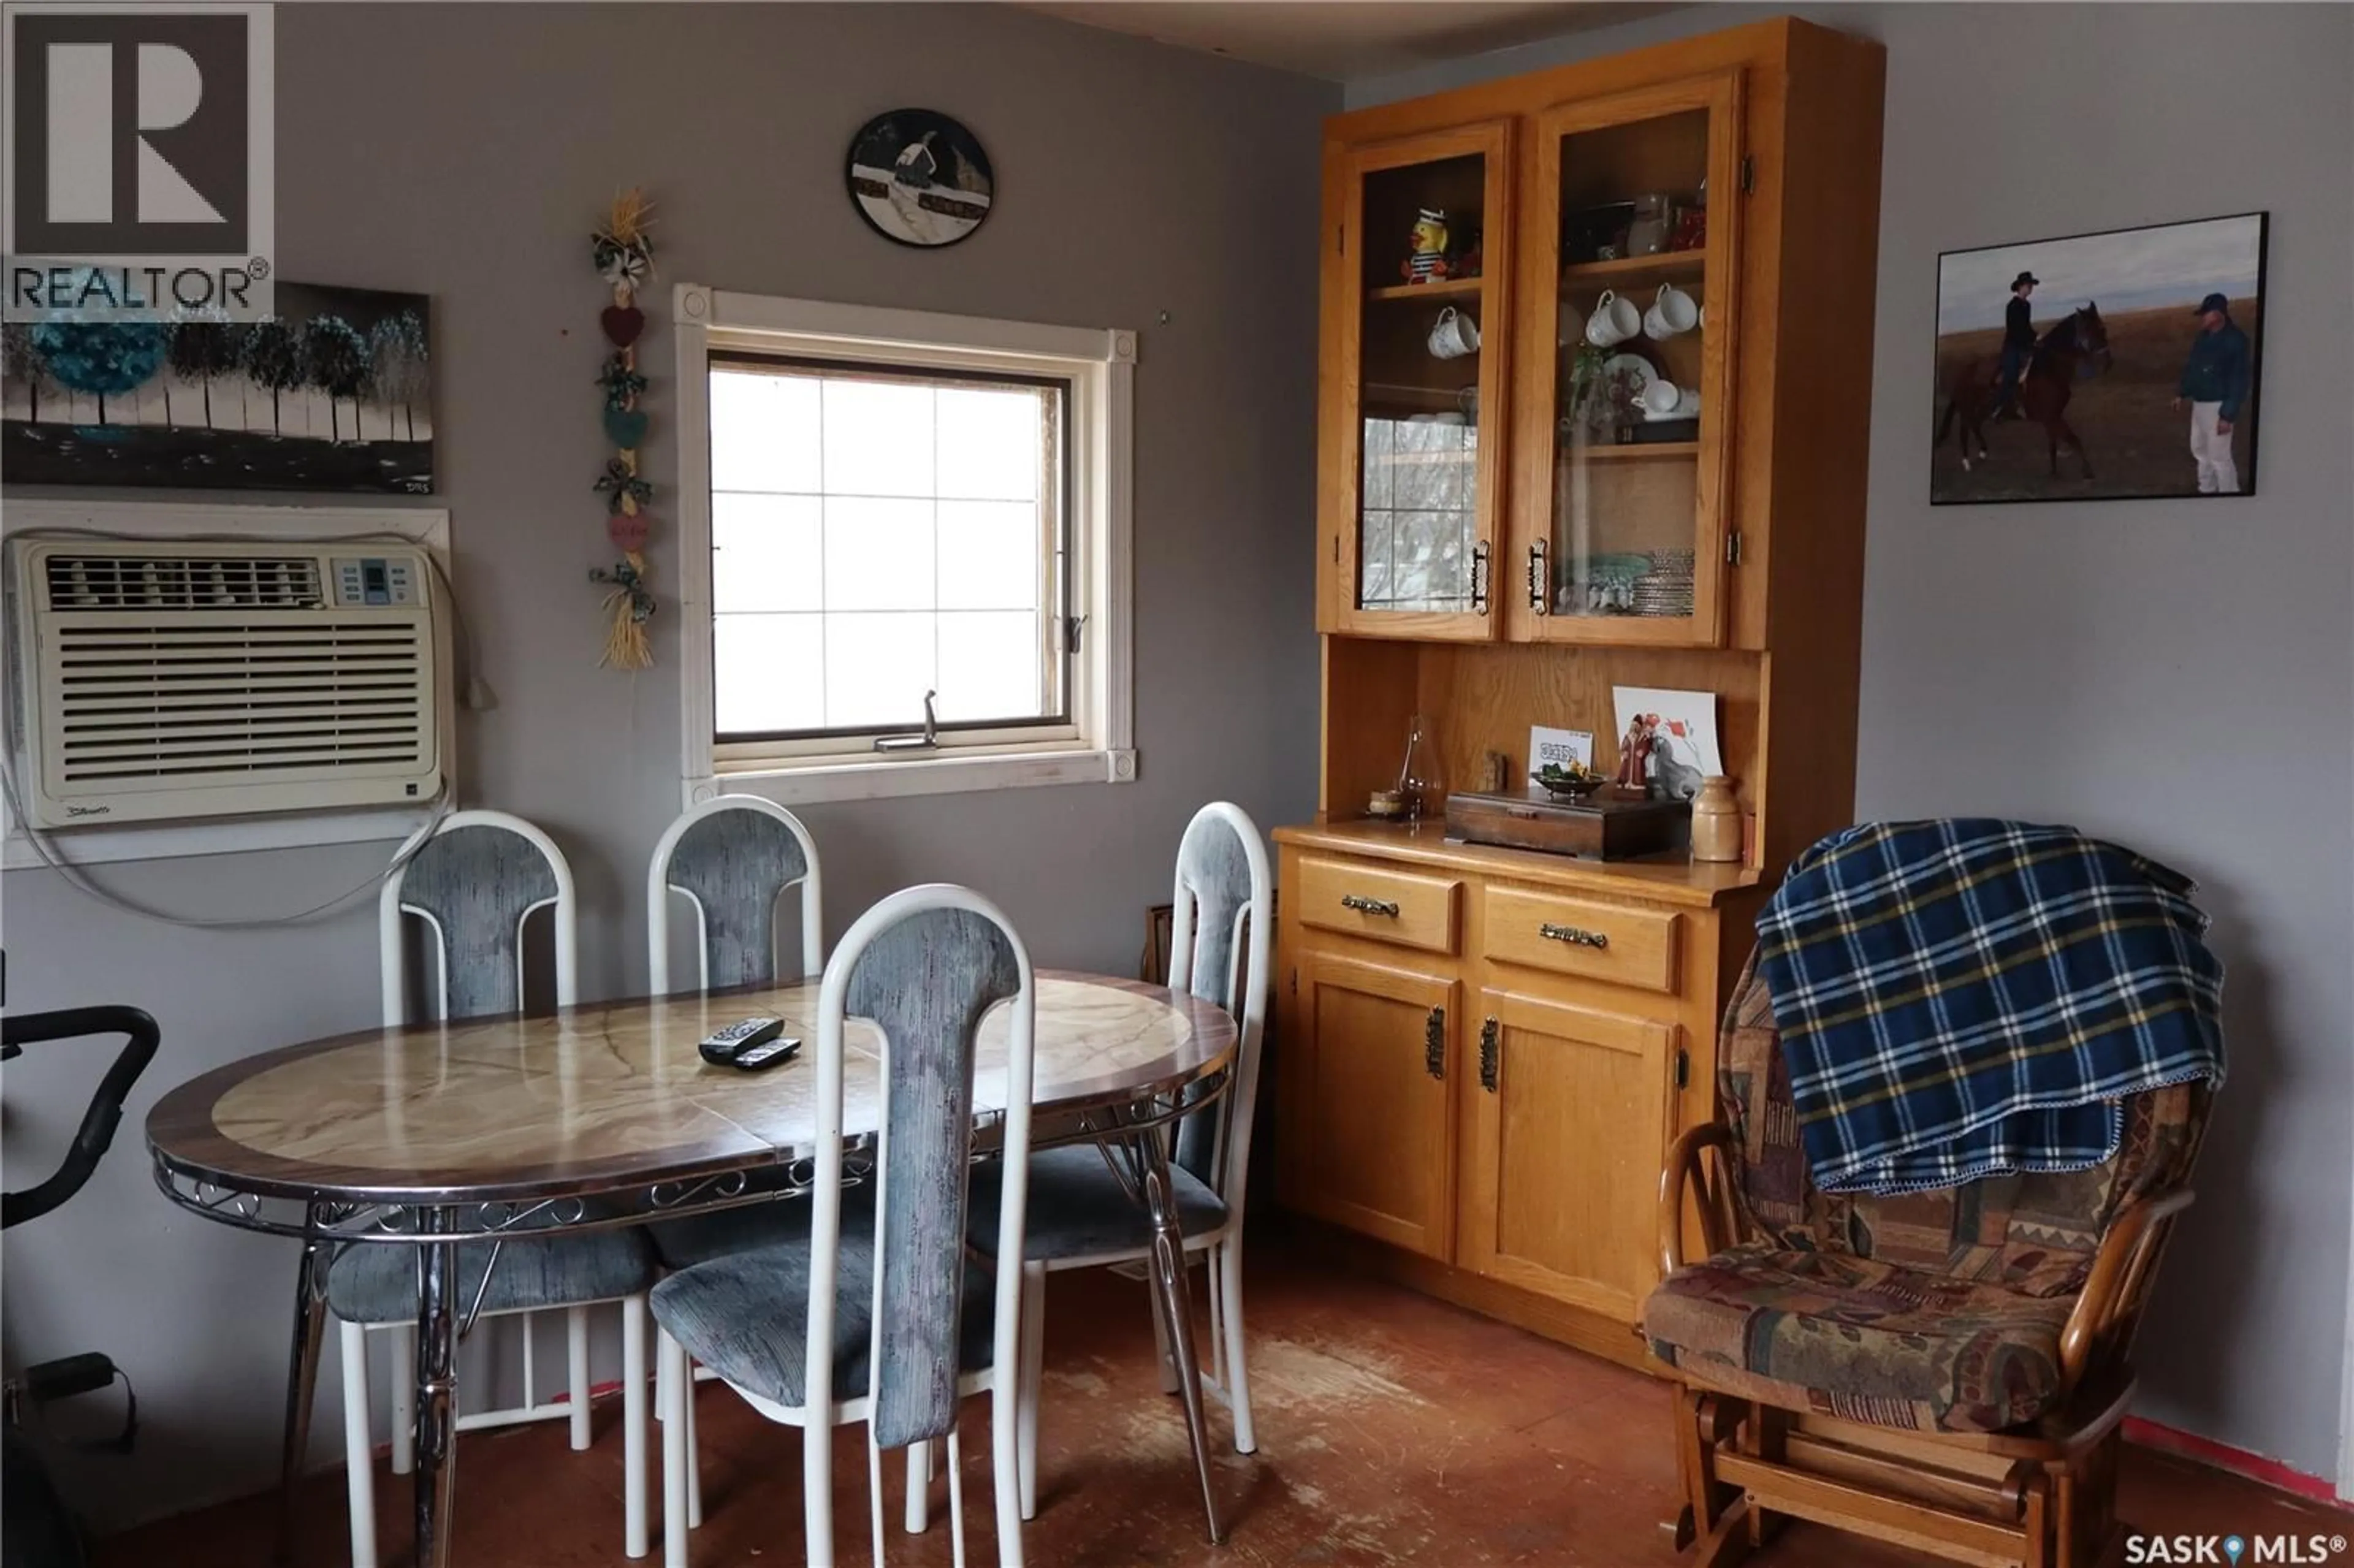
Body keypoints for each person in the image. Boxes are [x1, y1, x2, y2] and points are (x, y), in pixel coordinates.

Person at [2173, 291, 2252, 495]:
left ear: (2218, 314)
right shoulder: (2203, 338)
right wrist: (2182, 393)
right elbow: (2193, 368)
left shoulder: (2235, 340)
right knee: (2200, 451)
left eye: (2206, 314)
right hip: (2200, 405)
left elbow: (2239, 380)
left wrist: (2227, 415)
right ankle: (2206, 490)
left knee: (2219, 456)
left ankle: (2229, 493)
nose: (2202, 318)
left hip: (2219, 405)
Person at [1990, 270, 2038, 419]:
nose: (2031, 288)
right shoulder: (2012, 306)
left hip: (2025, 344)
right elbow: (2015, 329)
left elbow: (2027, 326)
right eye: (2029, 285)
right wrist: (2030, 339)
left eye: (2031, 285)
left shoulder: (2027, 305)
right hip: (2013, 346)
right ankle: (1999, 407)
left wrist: (2037, 336)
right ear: (2021, 286)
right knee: (2011, 375)